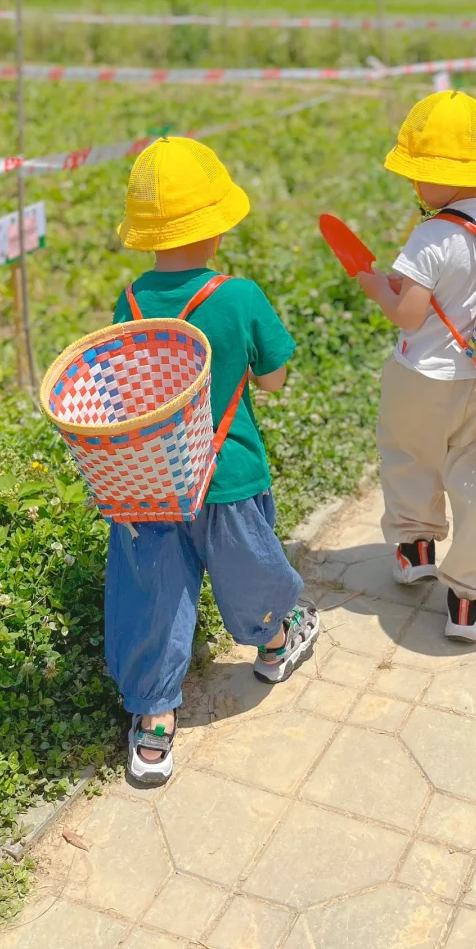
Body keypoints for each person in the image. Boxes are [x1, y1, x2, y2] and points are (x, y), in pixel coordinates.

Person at [106, 137, 319, 787]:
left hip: (150, 482)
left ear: (146, 233)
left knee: (157, 593)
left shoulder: (132, 301)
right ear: (219, 223)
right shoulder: (239, 296)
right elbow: (276, 379)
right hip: (226, 476)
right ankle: (275, 645)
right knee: (249, 567)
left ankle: (153, 726)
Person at [356, 90, 476, 643]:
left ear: (445, 178)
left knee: (408, 457)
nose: (412, 185)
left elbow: (407, 315)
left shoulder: (431, 234)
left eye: (418, 174)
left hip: (420, 377)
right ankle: (469, 600)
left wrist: (377, 284)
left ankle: (414, 547)